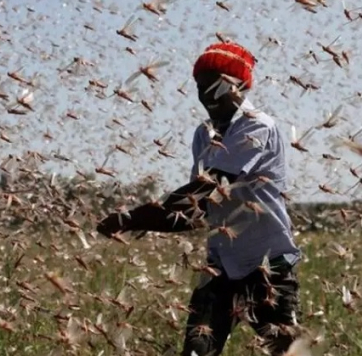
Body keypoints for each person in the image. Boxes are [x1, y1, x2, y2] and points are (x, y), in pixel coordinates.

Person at [97, 41, 302, 356]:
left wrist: (134, 218)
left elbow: (208, 190)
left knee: (286, 352)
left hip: (268, 267)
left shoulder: (257, 125)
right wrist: (143, 222)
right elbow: (195, 212)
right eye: (201, 86)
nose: (209, 94)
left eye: (219, 85)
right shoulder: (203, 135)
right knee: (196, 351)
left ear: (242, 86)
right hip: (220, 267)